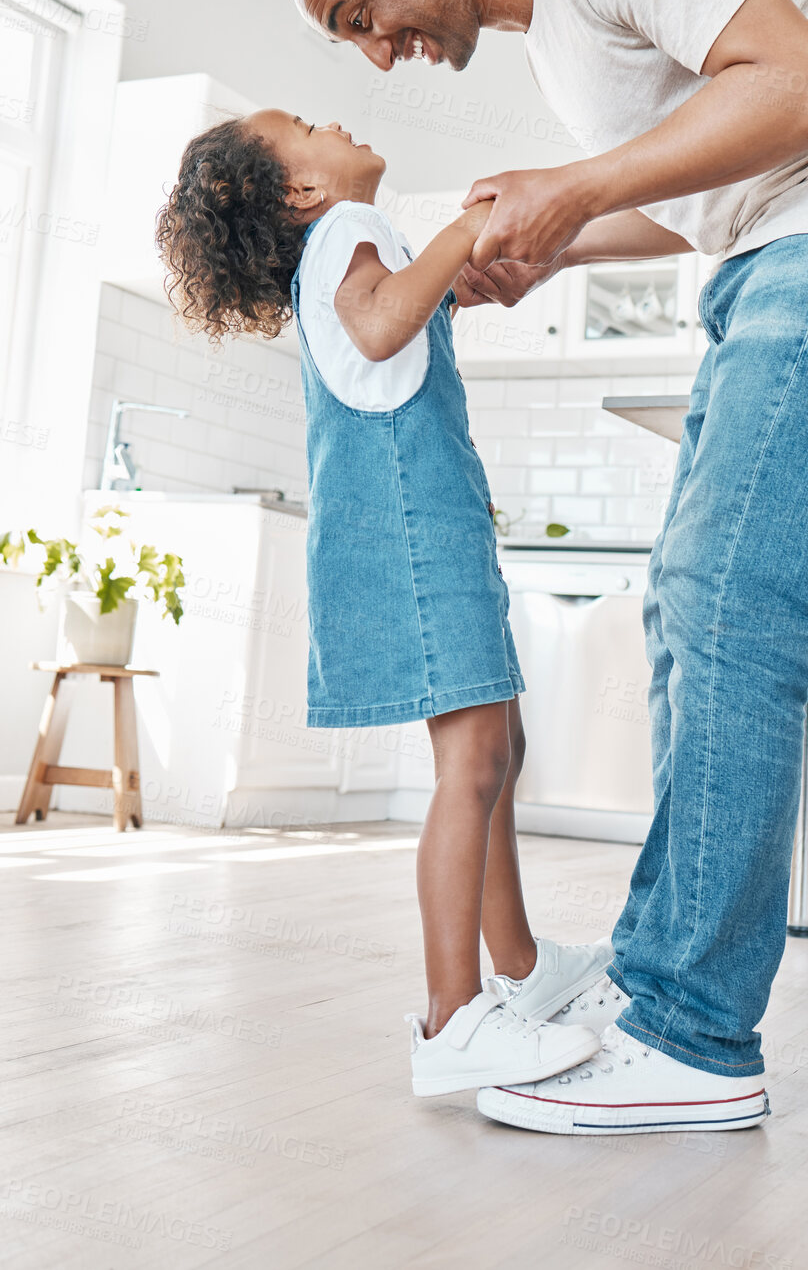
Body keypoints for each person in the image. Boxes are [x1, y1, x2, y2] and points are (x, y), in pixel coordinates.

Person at [285, 0, 808, 1136]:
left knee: (726, 595)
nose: (378, 56)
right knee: (694, 604)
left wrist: (581, 187)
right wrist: (553, 243)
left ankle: (695, 1035)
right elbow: (711, 192)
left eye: (357, 11)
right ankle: (668, 993)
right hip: (794, 239)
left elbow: (807, 88)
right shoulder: (563, 39)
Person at [155, 108, 611, 1097]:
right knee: (475, 761)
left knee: (499, 752)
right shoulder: (348, 234)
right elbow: (375, 322)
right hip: (417, 530)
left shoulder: (346, 245)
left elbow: (385, 331)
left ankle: (523, 972)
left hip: (430, 524)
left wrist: (450, 278)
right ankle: (454, 1018)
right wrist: (461, 232)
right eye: (303, 126)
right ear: (303, 193)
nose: (331, 118)